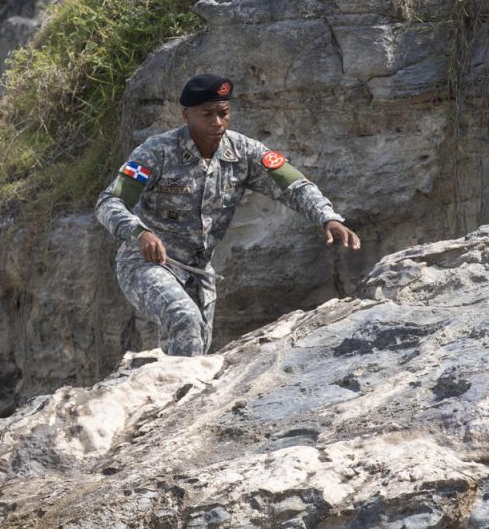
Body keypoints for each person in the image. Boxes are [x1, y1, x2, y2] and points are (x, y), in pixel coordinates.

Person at [94, 72, 361, 356]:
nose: (217, 122)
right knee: (183, 317)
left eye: (223, 113)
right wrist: (140, 233)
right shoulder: (156, 152)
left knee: (194, 349)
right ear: (186, 115)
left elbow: (293, 185)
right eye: (207, 114)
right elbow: (109, 202)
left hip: (198, 274)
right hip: (147, 264)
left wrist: (327, 216)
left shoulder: (244, 152)